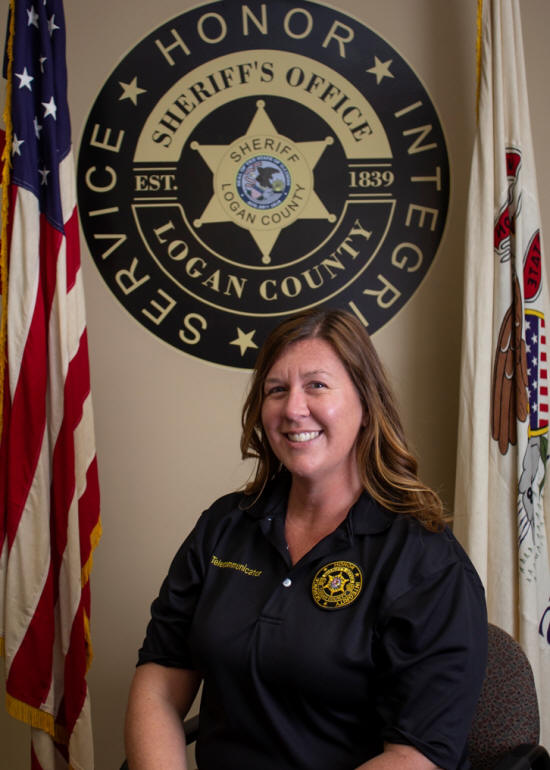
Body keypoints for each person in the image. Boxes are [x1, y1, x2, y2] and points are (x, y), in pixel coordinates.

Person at [124, 308, 487, 770]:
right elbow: (159, 678)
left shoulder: (426, 562)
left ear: (366, 405)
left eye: (316, 385)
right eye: (276, 389)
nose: (293, 409)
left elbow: (418, 756)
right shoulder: (224, 526)